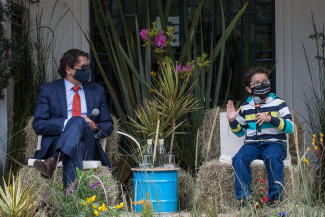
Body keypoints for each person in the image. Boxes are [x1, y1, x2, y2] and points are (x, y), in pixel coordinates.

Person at [32, 49, 114, 188]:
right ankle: (72, 202)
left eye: (88, 67)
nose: (87, 70)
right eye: (83, 67)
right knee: (76, 140)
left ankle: (52, 161)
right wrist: (66, 123)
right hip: (57, 142)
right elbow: (38, 124)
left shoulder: (97, 90)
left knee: (79, 121)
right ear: (68, 69)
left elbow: (108, 125)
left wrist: (94, 126)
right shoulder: (48, 90)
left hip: (89, 145)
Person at [226, 67, 293, 208]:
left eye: (265, 81)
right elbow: (240, 133)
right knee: (238, 158)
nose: (262, 84)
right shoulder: (245, 107)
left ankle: (275, 199)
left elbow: (290, 127)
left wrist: (270, 118)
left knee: (273, 157)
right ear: (249, 89)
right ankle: (245, 199)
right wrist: (232, 120)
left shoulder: (279, 103)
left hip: (275, 144)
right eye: (257, 83)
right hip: (252, 145)